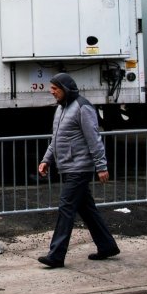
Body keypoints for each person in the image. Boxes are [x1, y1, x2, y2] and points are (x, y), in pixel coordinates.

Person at [36, 72, 120, 268]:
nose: (52, 92)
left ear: (65, 90)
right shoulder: (61, 109)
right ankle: (107, 245)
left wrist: (101, 166)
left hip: (79, 167)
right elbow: (56, 138)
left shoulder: (83, 107)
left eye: (55, 89)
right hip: (67, 166)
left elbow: (94, 139)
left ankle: (56, 255)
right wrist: (46, 160)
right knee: (87, 209)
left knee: (66, 208)